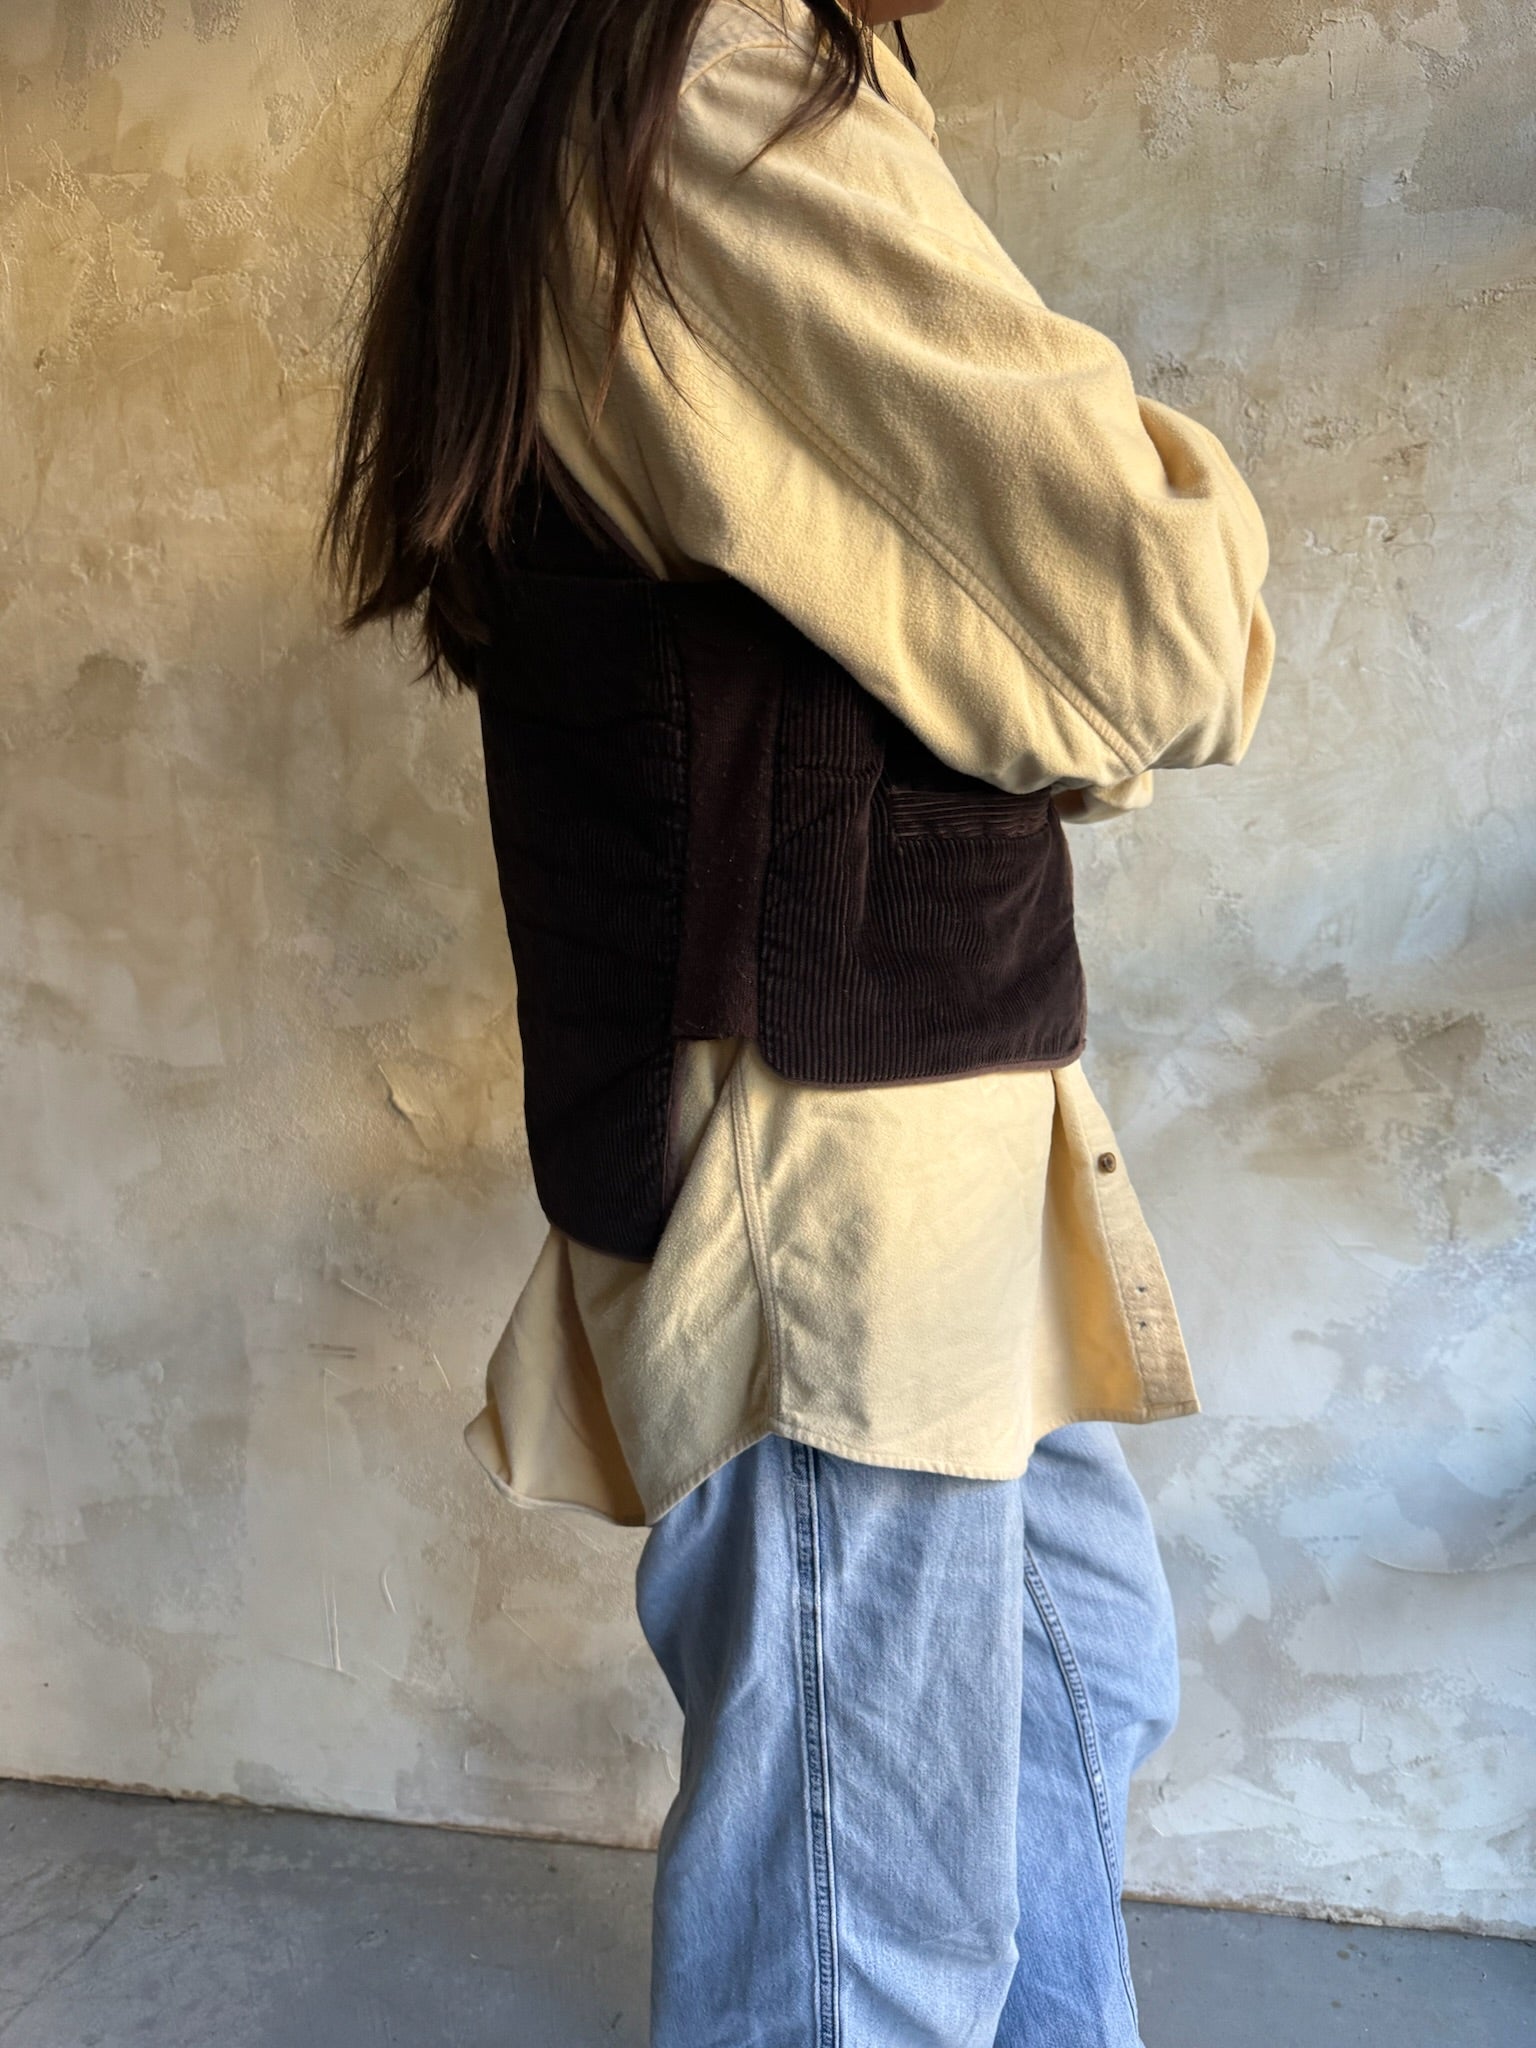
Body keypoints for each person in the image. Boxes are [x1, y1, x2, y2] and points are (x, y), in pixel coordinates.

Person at [322, 0, 1275, 2040]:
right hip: (834, 1140)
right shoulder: (715, 84)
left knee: (1066, 1688)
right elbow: (1161, 620)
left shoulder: (708, 74)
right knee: (865, 1919)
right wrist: (1169, 482)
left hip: (919, 1084)